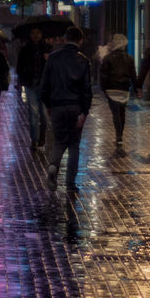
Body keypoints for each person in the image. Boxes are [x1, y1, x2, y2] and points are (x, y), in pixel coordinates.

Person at [40, 25, 92, 191]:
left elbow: (44, 85)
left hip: (57, 106)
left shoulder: (53, 58)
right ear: (80, 40)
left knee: (59, 141)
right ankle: (70, 182)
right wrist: (84, 112)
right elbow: (86, 90)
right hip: (75, 107)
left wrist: (48, 105)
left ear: (65, 39)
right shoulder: (83, 60)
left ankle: (53, 166)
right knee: (74, 144)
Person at [99, 33, 136, 147]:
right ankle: (120, 135)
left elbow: (103, 75)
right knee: (122, 112)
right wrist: (136, 88)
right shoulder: (129, 58)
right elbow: (133, 75)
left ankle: (118, 136)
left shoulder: (107, 58)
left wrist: (104, 89)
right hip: (124, 89)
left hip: (111, 89)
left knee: (115, 113)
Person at [16, 26, 50, 149]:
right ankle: (34, 140)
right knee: (33, 112)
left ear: (41, 34)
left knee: (44, 115)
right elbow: (20, 66)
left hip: (44, 85)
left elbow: (53, 67)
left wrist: (48, 59)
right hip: (31, 84)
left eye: (38, 32)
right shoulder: (25, 49)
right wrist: (21, 79)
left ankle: (42, 137)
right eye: (33, 33)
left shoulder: (47, 48)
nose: (35, 35)